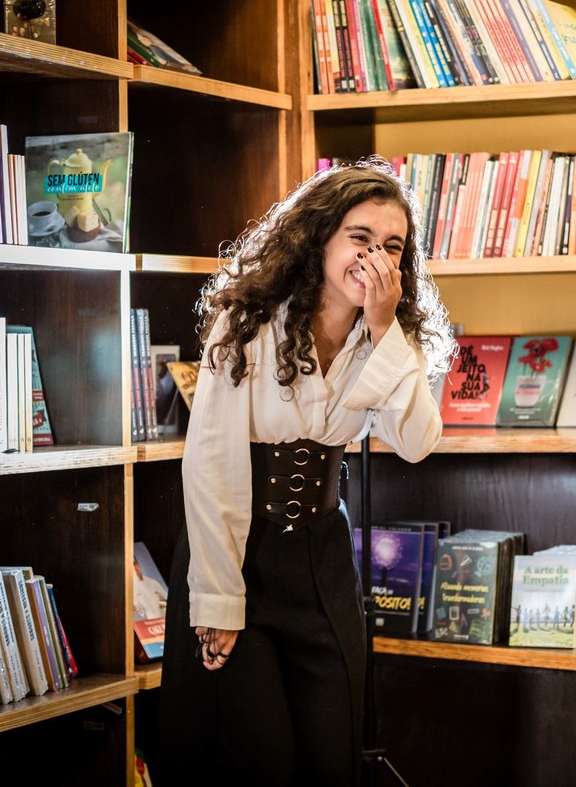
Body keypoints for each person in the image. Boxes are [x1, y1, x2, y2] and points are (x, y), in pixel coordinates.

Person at [159, 157, 454, 785]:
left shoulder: (388, 338)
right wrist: (217, 600)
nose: (375, 258)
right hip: (240, 558)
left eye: (393, 247)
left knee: (331, 754)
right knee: (259, 761)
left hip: (322, 562)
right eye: (361, 238)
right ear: (319, 238)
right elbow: (211, 468)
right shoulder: (245, 326)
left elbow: (416, 441)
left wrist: (382, 330)